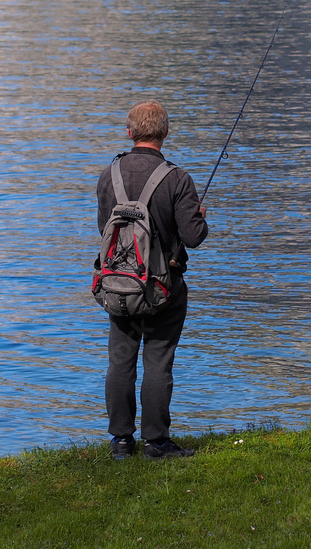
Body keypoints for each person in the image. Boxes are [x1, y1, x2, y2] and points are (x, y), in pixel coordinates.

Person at [96, 99, 208, 460]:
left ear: (130, 133)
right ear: (165, 133)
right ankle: (156, 442)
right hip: (164, 286)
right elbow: (193, 236)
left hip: (117, 285)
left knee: (120, 361)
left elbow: (104, 230)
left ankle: (121, 442)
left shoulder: (108, 175)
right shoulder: (177, 178)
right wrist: (199, 215)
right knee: (158, 360)